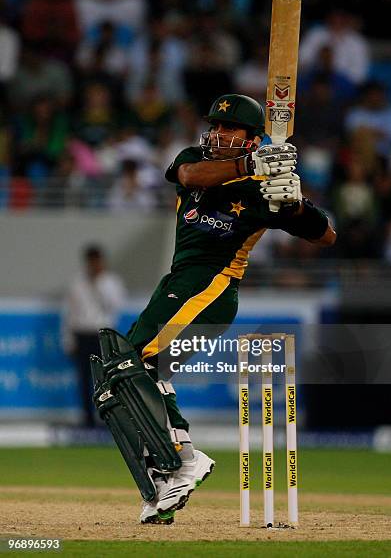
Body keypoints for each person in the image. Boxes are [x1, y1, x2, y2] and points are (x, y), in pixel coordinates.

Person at [95, 93, 336, 525]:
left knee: (138, 363)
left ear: (251, 138)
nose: (218, 133)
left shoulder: (264, 193)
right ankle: (171, 470)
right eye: (216, 126)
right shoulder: (195, 161)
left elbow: (325, 237)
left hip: (212, 287)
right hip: (177, 283)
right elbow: (189, 174)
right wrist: (251, 166)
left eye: (229, 129)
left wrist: (296, 205)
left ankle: (183, 462)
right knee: (129, 372)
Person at [64, 244, 125, 427]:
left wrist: (98, 284)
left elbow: (115, 306)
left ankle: (108, 417)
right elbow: (70, 313)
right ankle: (87, 419)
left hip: (102, 335)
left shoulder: (111, 282)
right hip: (82, 334)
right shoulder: (77, 282)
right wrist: (68, 339)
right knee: (84, 379)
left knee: (106, 380)